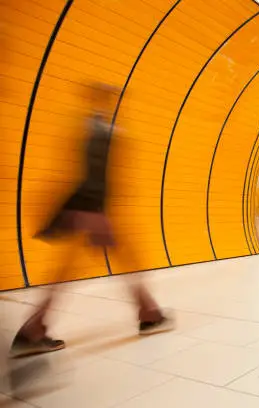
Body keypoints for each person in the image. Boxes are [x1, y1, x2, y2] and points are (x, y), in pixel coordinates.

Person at [10, 83, 173, 359]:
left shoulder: (90, 128)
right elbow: (97, 176)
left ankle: (148, 312)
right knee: (96, 265)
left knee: (88, 265)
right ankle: (33, 330)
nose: (114, 102)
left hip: (88, 207)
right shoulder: (102, 132)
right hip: (92, 208)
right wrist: (98, 212)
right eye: (110, 98)